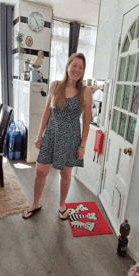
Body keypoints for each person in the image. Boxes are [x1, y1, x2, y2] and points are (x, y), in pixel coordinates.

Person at [22, 52, 93, 220]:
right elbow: (47, 113)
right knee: (40, 170)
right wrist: (40, 135)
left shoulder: (86, 91)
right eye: (74, 65)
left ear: (83, 71)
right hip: (51, 135)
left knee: (65, 173)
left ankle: (62, 205)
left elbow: (87, 122)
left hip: (71, 138)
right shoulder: (55, 86)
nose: (77, 70)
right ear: (67, 66)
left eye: (81, 67)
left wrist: (82, 146)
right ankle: (35, 203)